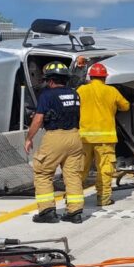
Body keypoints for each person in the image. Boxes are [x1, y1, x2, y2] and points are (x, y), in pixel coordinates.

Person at [25, 61, 84, 224]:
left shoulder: (47, 95)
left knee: (43, 173)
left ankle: (47, 212)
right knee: (72, 175)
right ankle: (75, 212)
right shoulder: (74, 94)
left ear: (50, 80)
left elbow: (38, 119)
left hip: (55, 137)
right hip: (74, 137)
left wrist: (29, 138)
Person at [78, 62, 130, 207]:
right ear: (104, 77)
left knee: (80, 169)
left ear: (91, 76)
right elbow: (125, 106)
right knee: (105, 169)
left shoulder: (81, 90)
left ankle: (73, 198)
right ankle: (103, 198)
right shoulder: (112, 91)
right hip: (106, 138)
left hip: (85, 137)